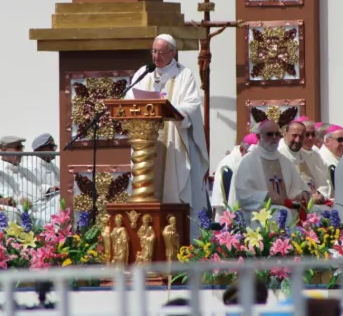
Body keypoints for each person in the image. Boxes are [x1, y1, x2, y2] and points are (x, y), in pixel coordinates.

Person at [125, 34, 209, 237]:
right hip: (147, 141)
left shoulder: (184, 75)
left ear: (173, 52)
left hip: (173, 140)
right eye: (153, 51)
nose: (155, 57)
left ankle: (177, 238)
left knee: (173, 188)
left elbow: (192, 106)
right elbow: (129, 98)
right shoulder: (144, 72)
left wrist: (168, 108)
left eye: (160, 52)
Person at [229, 119, 309, 225]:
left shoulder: (285, 161)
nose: (274, 138)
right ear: (259, 136)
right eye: (269, 134)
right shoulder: (248, 162)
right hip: (255, 216)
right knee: (280, 213)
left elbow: (298, 187)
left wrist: (302, 194)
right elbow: (243, 194)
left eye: (277, 134)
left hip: (285, 212)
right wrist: (265, 196)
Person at [279, 119, 331, 206]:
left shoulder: (307, 155)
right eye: (294, 135)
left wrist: (320, 194)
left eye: (301, 136)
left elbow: (321, 182)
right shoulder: (280, 156)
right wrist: (309, 197)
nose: (297, 140)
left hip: (312, 204)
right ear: (285, 134)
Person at [211, 134, 257, 220]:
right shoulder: (228, 164)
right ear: (242, 149)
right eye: (249, 153)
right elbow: (228, 200)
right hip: (227, 214)